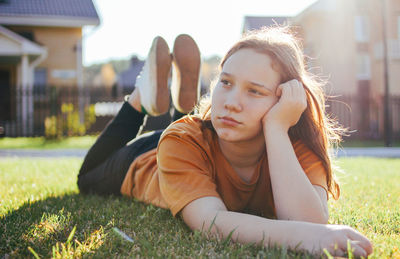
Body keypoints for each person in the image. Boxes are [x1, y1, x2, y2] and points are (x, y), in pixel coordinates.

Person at [77, 28, 373, 257]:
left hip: (197, 139)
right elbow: (210, 223)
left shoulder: (296, 146)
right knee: (86, 176)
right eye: (226, 83)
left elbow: (310, 222)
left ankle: (184, 102)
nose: (231, 103)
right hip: (147, 159)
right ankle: (140, 98)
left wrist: (276, 130)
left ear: (286, 99)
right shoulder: (180, 140)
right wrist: (306, 238)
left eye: (255, 91)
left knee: (190, 128)